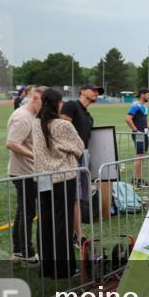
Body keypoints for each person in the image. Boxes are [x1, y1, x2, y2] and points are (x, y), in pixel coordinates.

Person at [35, 88, 84, 278]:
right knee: (62, 223)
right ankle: (64, 269)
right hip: (63, 177)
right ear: (57, 103)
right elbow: (79, 147)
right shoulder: (63, 125)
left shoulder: (35, 123)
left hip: (43, 178)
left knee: (45, 222)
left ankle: (47, 267)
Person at [6, 85, 45, 265]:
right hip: (23, 172)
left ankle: (18, 251)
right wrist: (36, 156)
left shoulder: (31, 115)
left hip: (29, 171)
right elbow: (12, 143)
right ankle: (27, 254)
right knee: (27, 213)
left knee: (23, 212)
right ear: (36, 98)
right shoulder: (22, 117)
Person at [60, 84, 102, 244]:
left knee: (80, 196)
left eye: (98, 92)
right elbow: (62, 130)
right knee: (75, 196)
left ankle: (75, 232)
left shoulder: (87, 114)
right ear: (82, 91)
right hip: (72, 156)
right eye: (94, 90)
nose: (96, 93)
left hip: (83, 155)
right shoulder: (71, 105)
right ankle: (79, 234)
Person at [125, 88, 149, 187]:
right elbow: (128, 119)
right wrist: (136, 130)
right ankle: (137, 180)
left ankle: (139, 179)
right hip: (139, 135)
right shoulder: (135, 105)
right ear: (142, 95)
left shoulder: (145, 107)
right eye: (148, 94)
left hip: (144, 134)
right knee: (139, 156)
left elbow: (145, 122)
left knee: (142, 157)